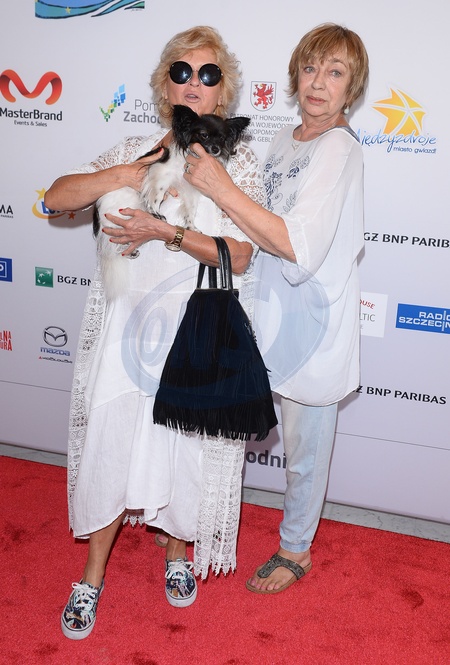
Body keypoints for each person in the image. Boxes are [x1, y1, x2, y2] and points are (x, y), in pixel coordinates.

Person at [44, 25, 265, 639]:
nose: (194, 83)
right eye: (181, 71)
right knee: (110, 444)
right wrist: (123, 173)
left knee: (183, 449)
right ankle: (91, 576)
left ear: (223, 90)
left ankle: (176, 555)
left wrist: (162, 231)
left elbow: (242, 254)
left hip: (192, 332)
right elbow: (56, 198)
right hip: (124, 332)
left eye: (208, 74)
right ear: (164, 85)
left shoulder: (238, 160)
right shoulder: (133, 146)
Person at [181, 23, 369, 594]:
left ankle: (296, 549)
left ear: (352, 87)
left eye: (335, 72)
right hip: (269, 312)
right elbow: (257, 226)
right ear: (295, 75)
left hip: (314, 323)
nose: (318, 83)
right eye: (310, 68)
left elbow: (293, 243)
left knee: (305, 450)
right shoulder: (287, 138)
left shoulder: (339, 149)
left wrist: (220, 187)